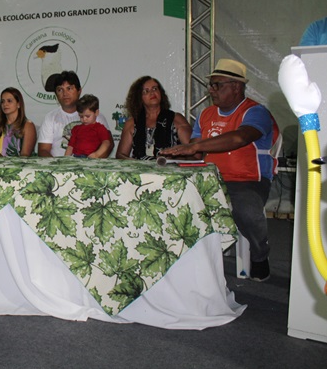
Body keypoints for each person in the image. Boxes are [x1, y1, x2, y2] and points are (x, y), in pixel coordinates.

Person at [160, 59, 280, 282]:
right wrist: (176, 153)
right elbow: (196, 153)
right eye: (210, 85)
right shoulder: (206, 115)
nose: (211, 90)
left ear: (236, 86)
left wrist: (195, 146)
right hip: (209, 177)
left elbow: (239, 138)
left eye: (217, 85)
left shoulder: (255, 112)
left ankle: (260, 253)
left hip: (247, 180)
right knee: (170, 197)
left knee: (246, 209)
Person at [37, 71, 112, 157]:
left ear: (79, 91)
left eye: (69, 88)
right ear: (56, 95)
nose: (65, 94)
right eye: (60, 90)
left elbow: (109, 144)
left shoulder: (95, 116)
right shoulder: (50, 118)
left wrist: (93, 162)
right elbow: (43, 150)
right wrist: (58, 167)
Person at [115, 76, 192, 160]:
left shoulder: (176, 118)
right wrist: (135, 163)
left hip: (169, 170)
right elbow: (120, 155)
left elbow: (193, 153)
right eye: (146, 91)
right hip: (140, 170)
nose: (152, 93)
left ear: (161, 93)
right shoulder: (132, 123)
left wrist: (176, 158)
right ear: (139, 97)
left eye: (155, 89)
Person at [0, 87, 37, 157]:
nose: (5, 104)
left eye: (9, 101)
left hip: (20, 166)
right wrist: (4, 164)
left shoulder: (28, 125)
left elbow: (25, 155)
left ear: (18, 104)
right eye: (3, 101)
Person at [65, 94, 112, 158]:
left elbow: (106, 143)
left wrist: (97, 154)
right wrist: (65, 159)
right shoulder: (76, 129)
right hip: (76, 158)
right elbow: (70, 146)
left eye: (87, 116)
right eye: (81, 116)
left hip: (91, 158)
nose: (84, 119)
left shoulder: (100, 128)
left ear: (96, 113)